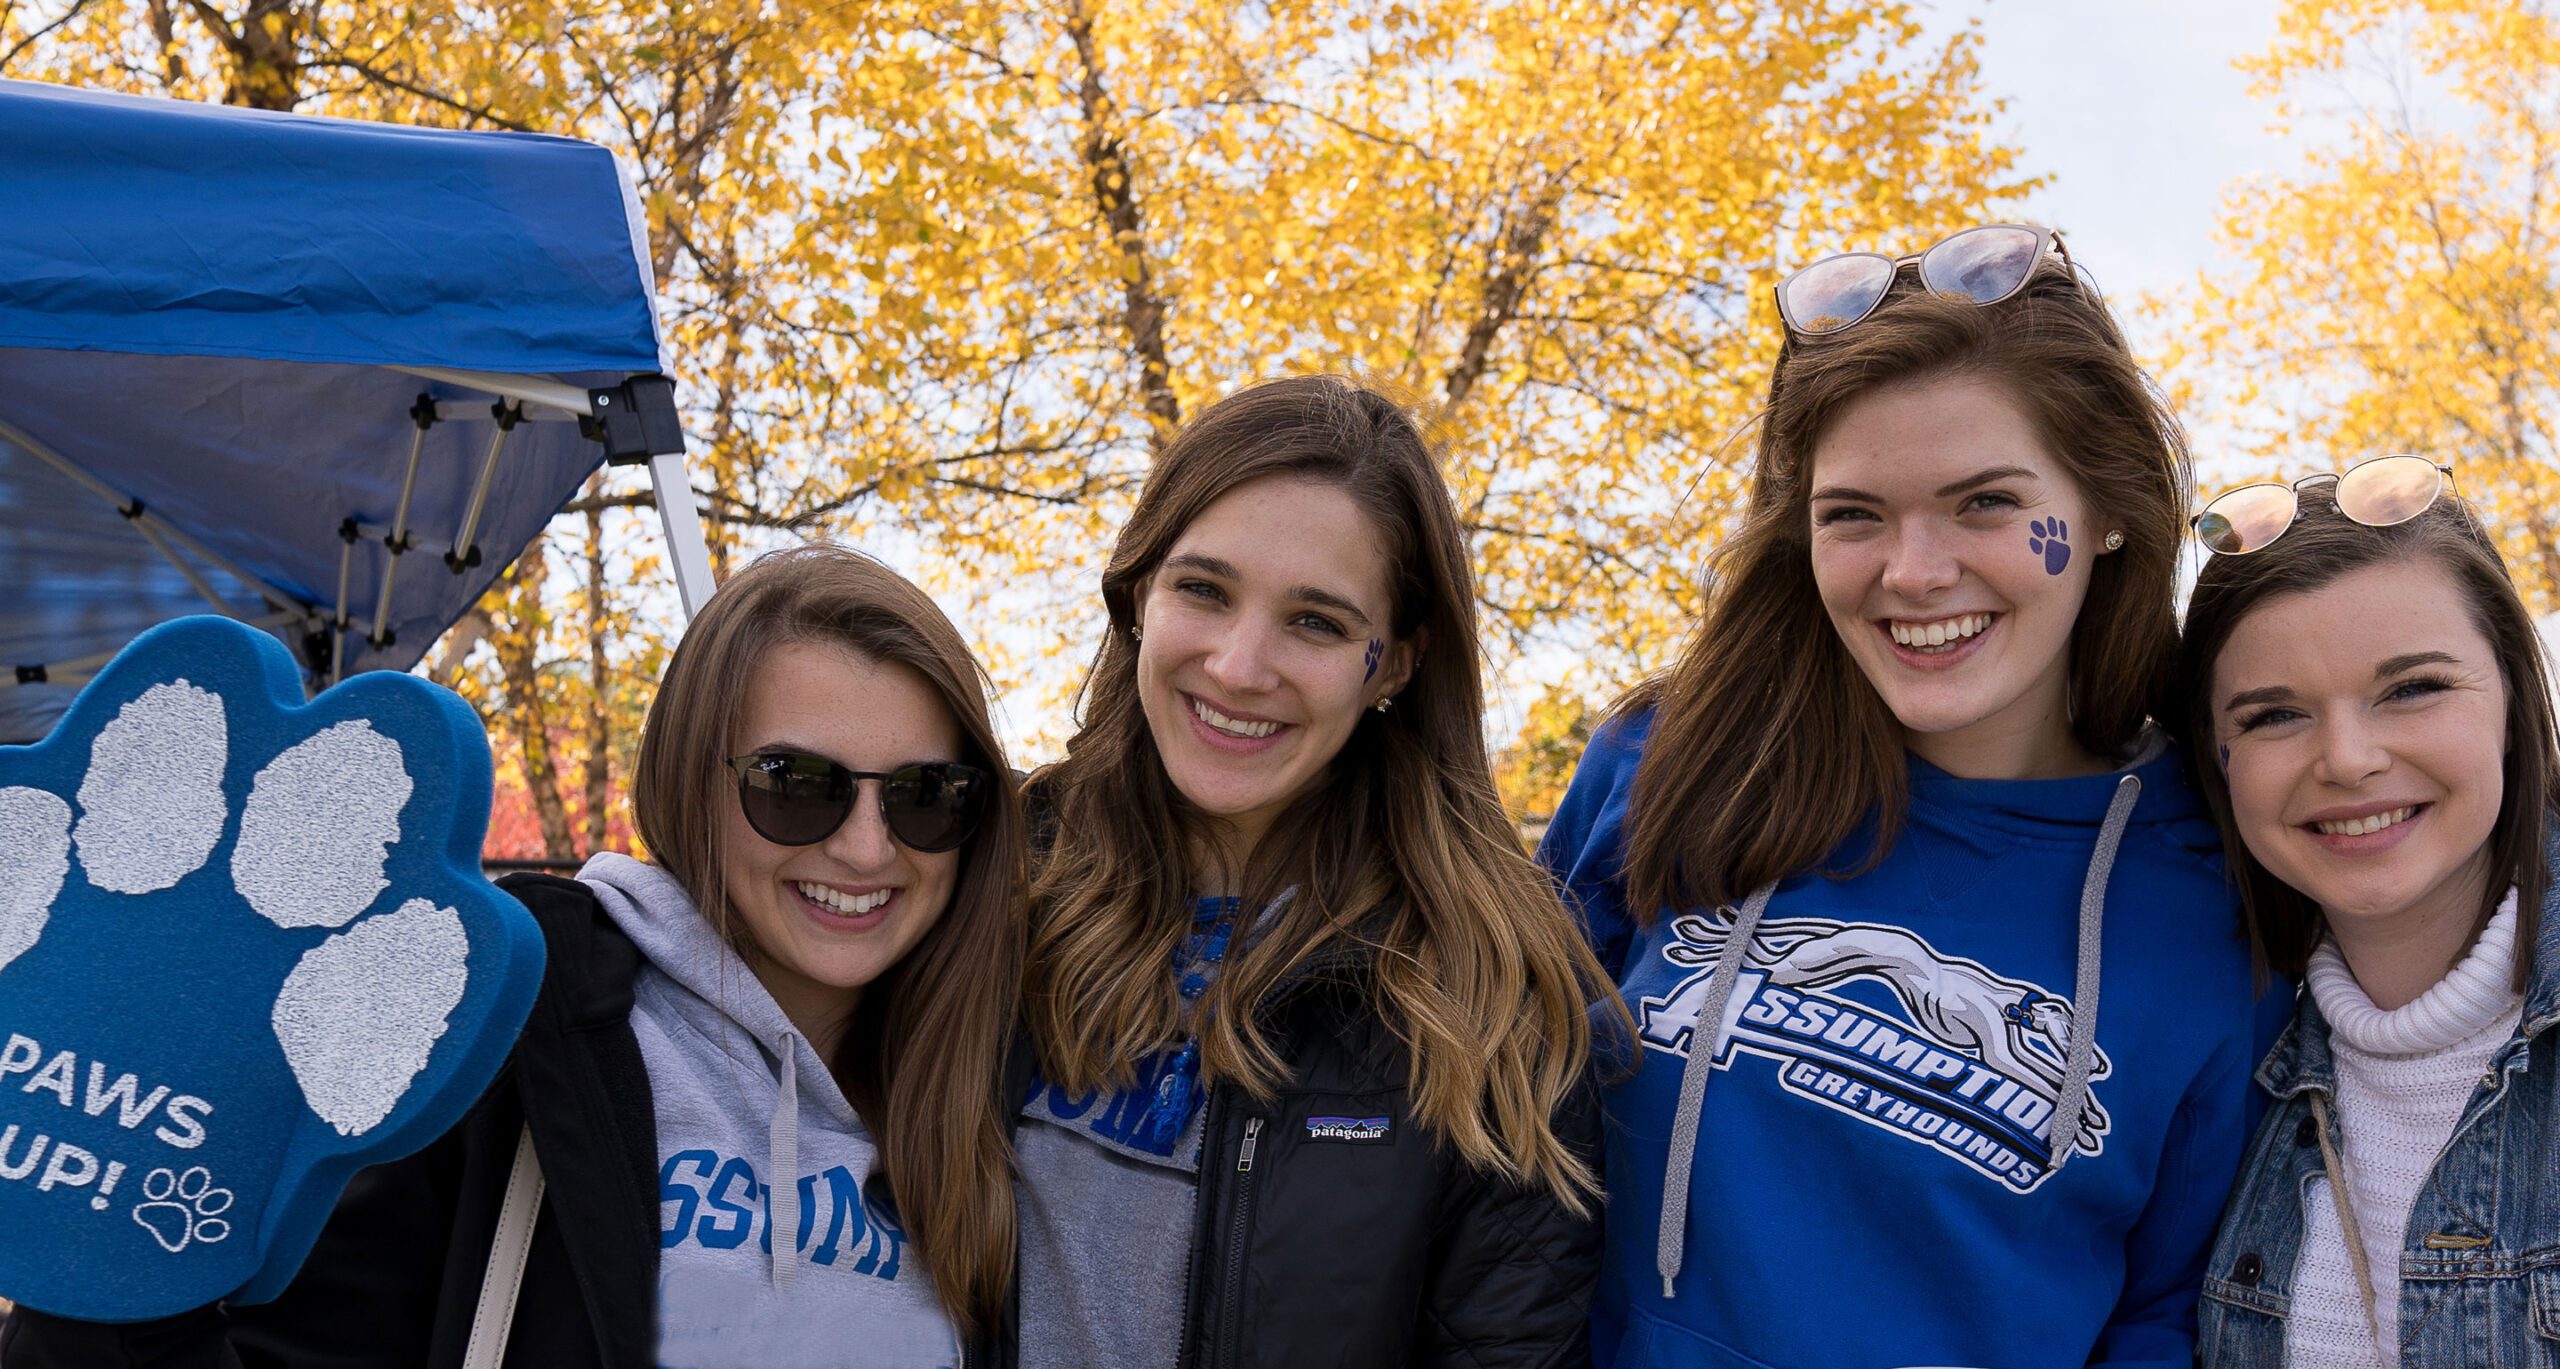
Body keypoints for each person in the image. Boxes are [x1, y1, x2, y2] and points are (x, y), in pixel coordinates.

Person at [1538, 225, 2278, 1366]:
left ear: (2107, 508)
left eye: (1984, 503)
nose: (1914, 571)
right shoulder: (1669, 761)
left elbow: (2162, 1313)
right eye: (1853, 514)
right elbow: (1487, 1127)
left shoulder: (2220, 884)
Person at [2, 544, 1026, 1368]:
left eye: (925, 795)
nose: (864, 846)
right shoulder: (503, 1033)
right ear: (687, 778)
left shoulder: (991, 1095)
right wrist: (108, 1270)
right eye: (793, 782)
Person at [1015, 374, 1614, 1369]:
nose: (1241, 666)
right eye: (1202, 589)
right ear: (1137, 595)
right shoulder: (991, 881)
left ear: (1393, 665)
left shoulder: (1492, 1003)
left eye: (1316, 622)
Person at [2175, 464, 2560, 1365]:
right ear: (2219, 759)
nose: (2347, 760)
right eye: (2274, 715)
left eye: (2413, 688)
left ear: (2510, 697)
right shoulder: (2216, 1076)